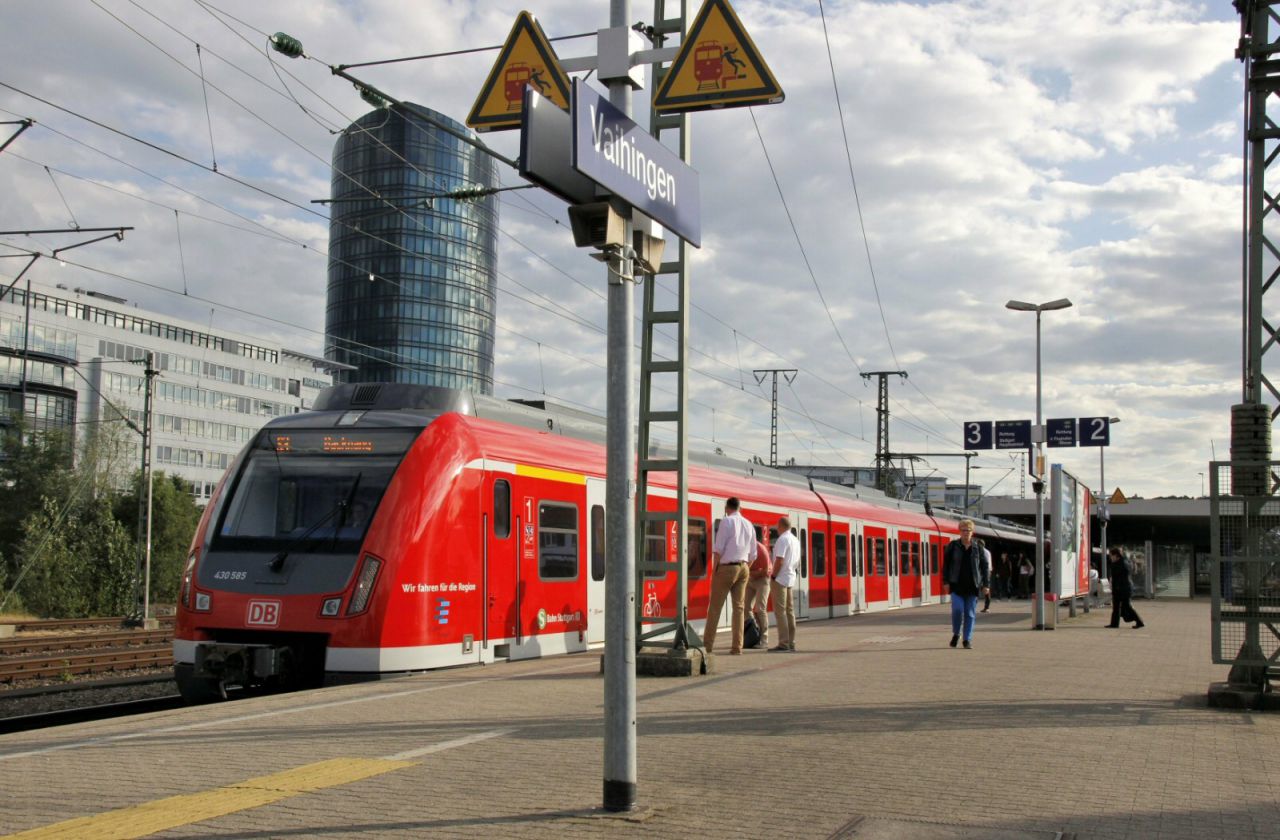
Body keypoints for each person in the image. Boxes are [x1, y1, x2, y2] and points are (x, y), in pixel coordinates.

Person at [705, 497, 755, 655]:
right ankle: (737, 647)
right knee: (739, 609)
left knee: (715, 608)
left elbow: (718, 550)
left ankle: (707, 646)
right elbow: (753, 554)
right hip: (744, 567)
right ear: (739, 507)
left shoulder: (726, 522)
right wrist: (745, 568)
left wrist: (715, 571)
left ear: (727, 507)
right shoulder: (749, 524)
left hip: (727, 568)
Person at [942, 519, 990, 649]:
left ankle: (967, 639)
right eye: (963, 530)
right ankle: (956, 634)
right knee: (957, 610)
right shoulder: (953, 546)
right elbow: (946, 565)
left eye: (968, 530)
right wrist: (945, 581)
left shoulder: (978, 548)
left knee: (969, 613)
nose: (966, 533)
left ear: (972, 532)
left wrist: (986, 585)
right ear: (960, 531)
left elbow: (985, 568)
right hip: (956, 585)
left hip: (972, 586)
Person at [769, 516, 801, 652]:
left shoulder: (782, 539)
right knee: (789, 611)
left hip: (780, 579)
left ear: (781, 526)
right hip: (790, 578)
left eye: (777, 526)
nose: (776, 529)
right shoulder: (795, 540)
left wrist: (773, 575)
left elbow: (779, 560)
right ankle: (791, 642)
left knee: (780, 611)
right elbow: (798, 561)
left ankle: (783, 643)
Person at [1106, 547, 1144, 629]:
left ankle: (1140, 622)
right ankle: (1114, 624)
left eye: (1111, 556)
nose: (1110, 558)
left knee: (1126, 606)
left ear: (1116, 556)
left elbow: (1119, 578)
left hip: (1123, 589)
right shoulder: (1124, 562)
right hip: (1121, 588)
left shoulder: (1120, 564)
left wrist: (1115, 587)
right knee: (1116, 607)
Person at [744, 540, 772, 649]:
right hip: (751, 579)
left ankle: (764, 639)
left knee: (760, 608)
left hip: (763, 579)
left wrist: (753, 573)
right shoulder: (743, 547)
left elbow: (766, 571)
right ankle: (754, 633)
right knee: (746, 607)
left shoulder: (761, 550)